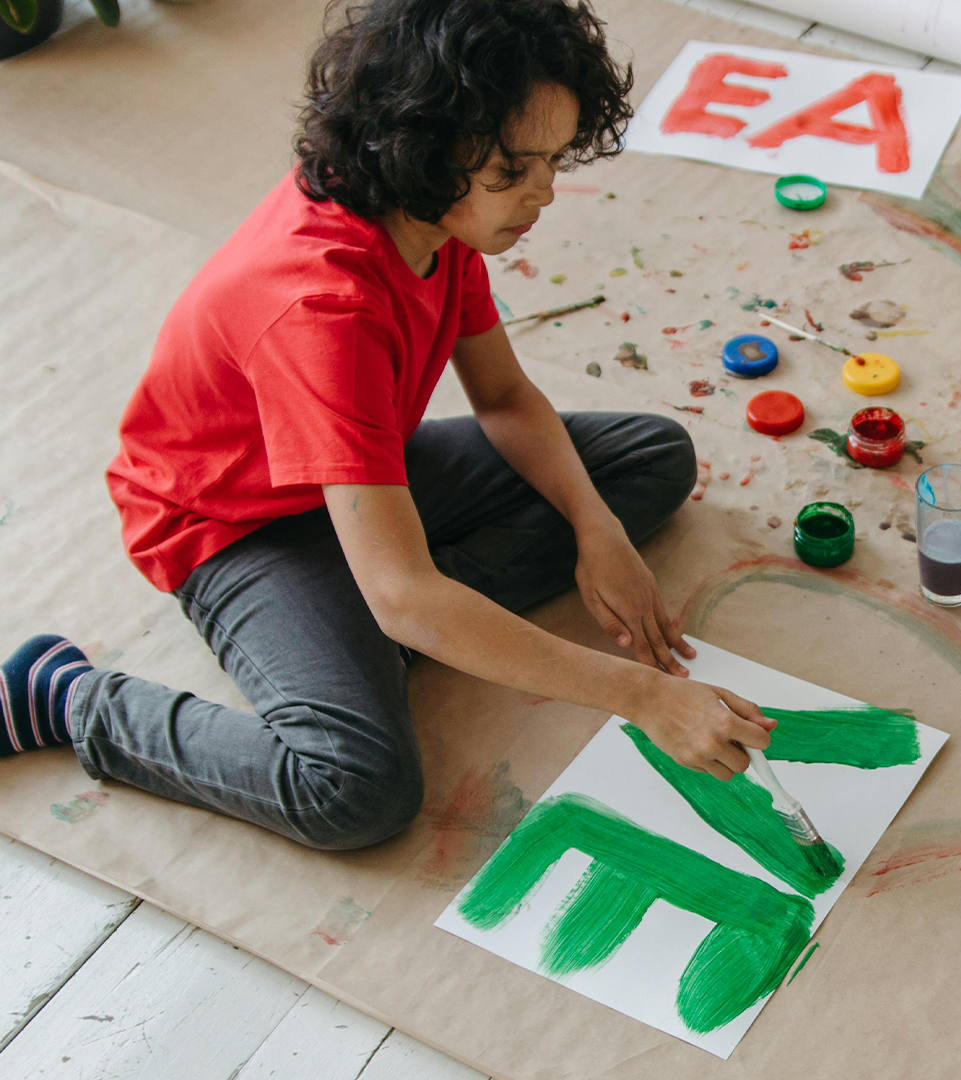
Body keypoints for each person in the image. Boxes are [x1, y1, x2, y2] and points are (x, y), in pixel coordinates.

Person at [0, 0, 773, 850]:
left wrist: (597, 530)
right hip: (232, 525)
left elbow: (507, 400)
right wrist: (644, 695)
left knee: (646, 460)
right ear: (424, 149)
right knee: (353, 788)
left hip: (356, 481)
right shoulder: (321, 310)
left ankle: (384, 622)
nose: (546, 193)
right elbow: (404, 594)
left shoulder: (438, 219)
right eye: (516, 171)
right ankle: (65, 697)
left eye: (553, 161)